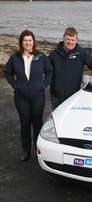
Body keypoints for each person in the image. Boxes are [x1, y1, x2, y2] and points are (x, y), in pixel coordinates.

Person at [4, 30, 53, 162]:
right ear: (21, 42)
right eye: (25, 40)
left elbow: (49, 71)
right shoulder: (15, 57)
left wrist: (44, 85)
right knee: (25, 123)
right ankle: (26, 151)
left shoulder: (41, 56)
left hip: (38, 96)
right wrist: (15, 85)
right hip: (21, 96)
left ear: (33, 42)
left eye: (30, 40)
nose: (28, 43)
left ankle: (38, 150)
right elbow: (7, 72)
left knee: (37, 123)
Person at [48, 27, 92, 110]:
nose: (70, 42)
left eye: (73, 40)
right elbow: (46, 69)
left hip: (72, 96)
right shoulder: (54, 54)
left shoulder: (81, 53)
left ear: (76, 39)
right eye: (68, 39)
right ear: (63, 37)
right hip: (56, 96)